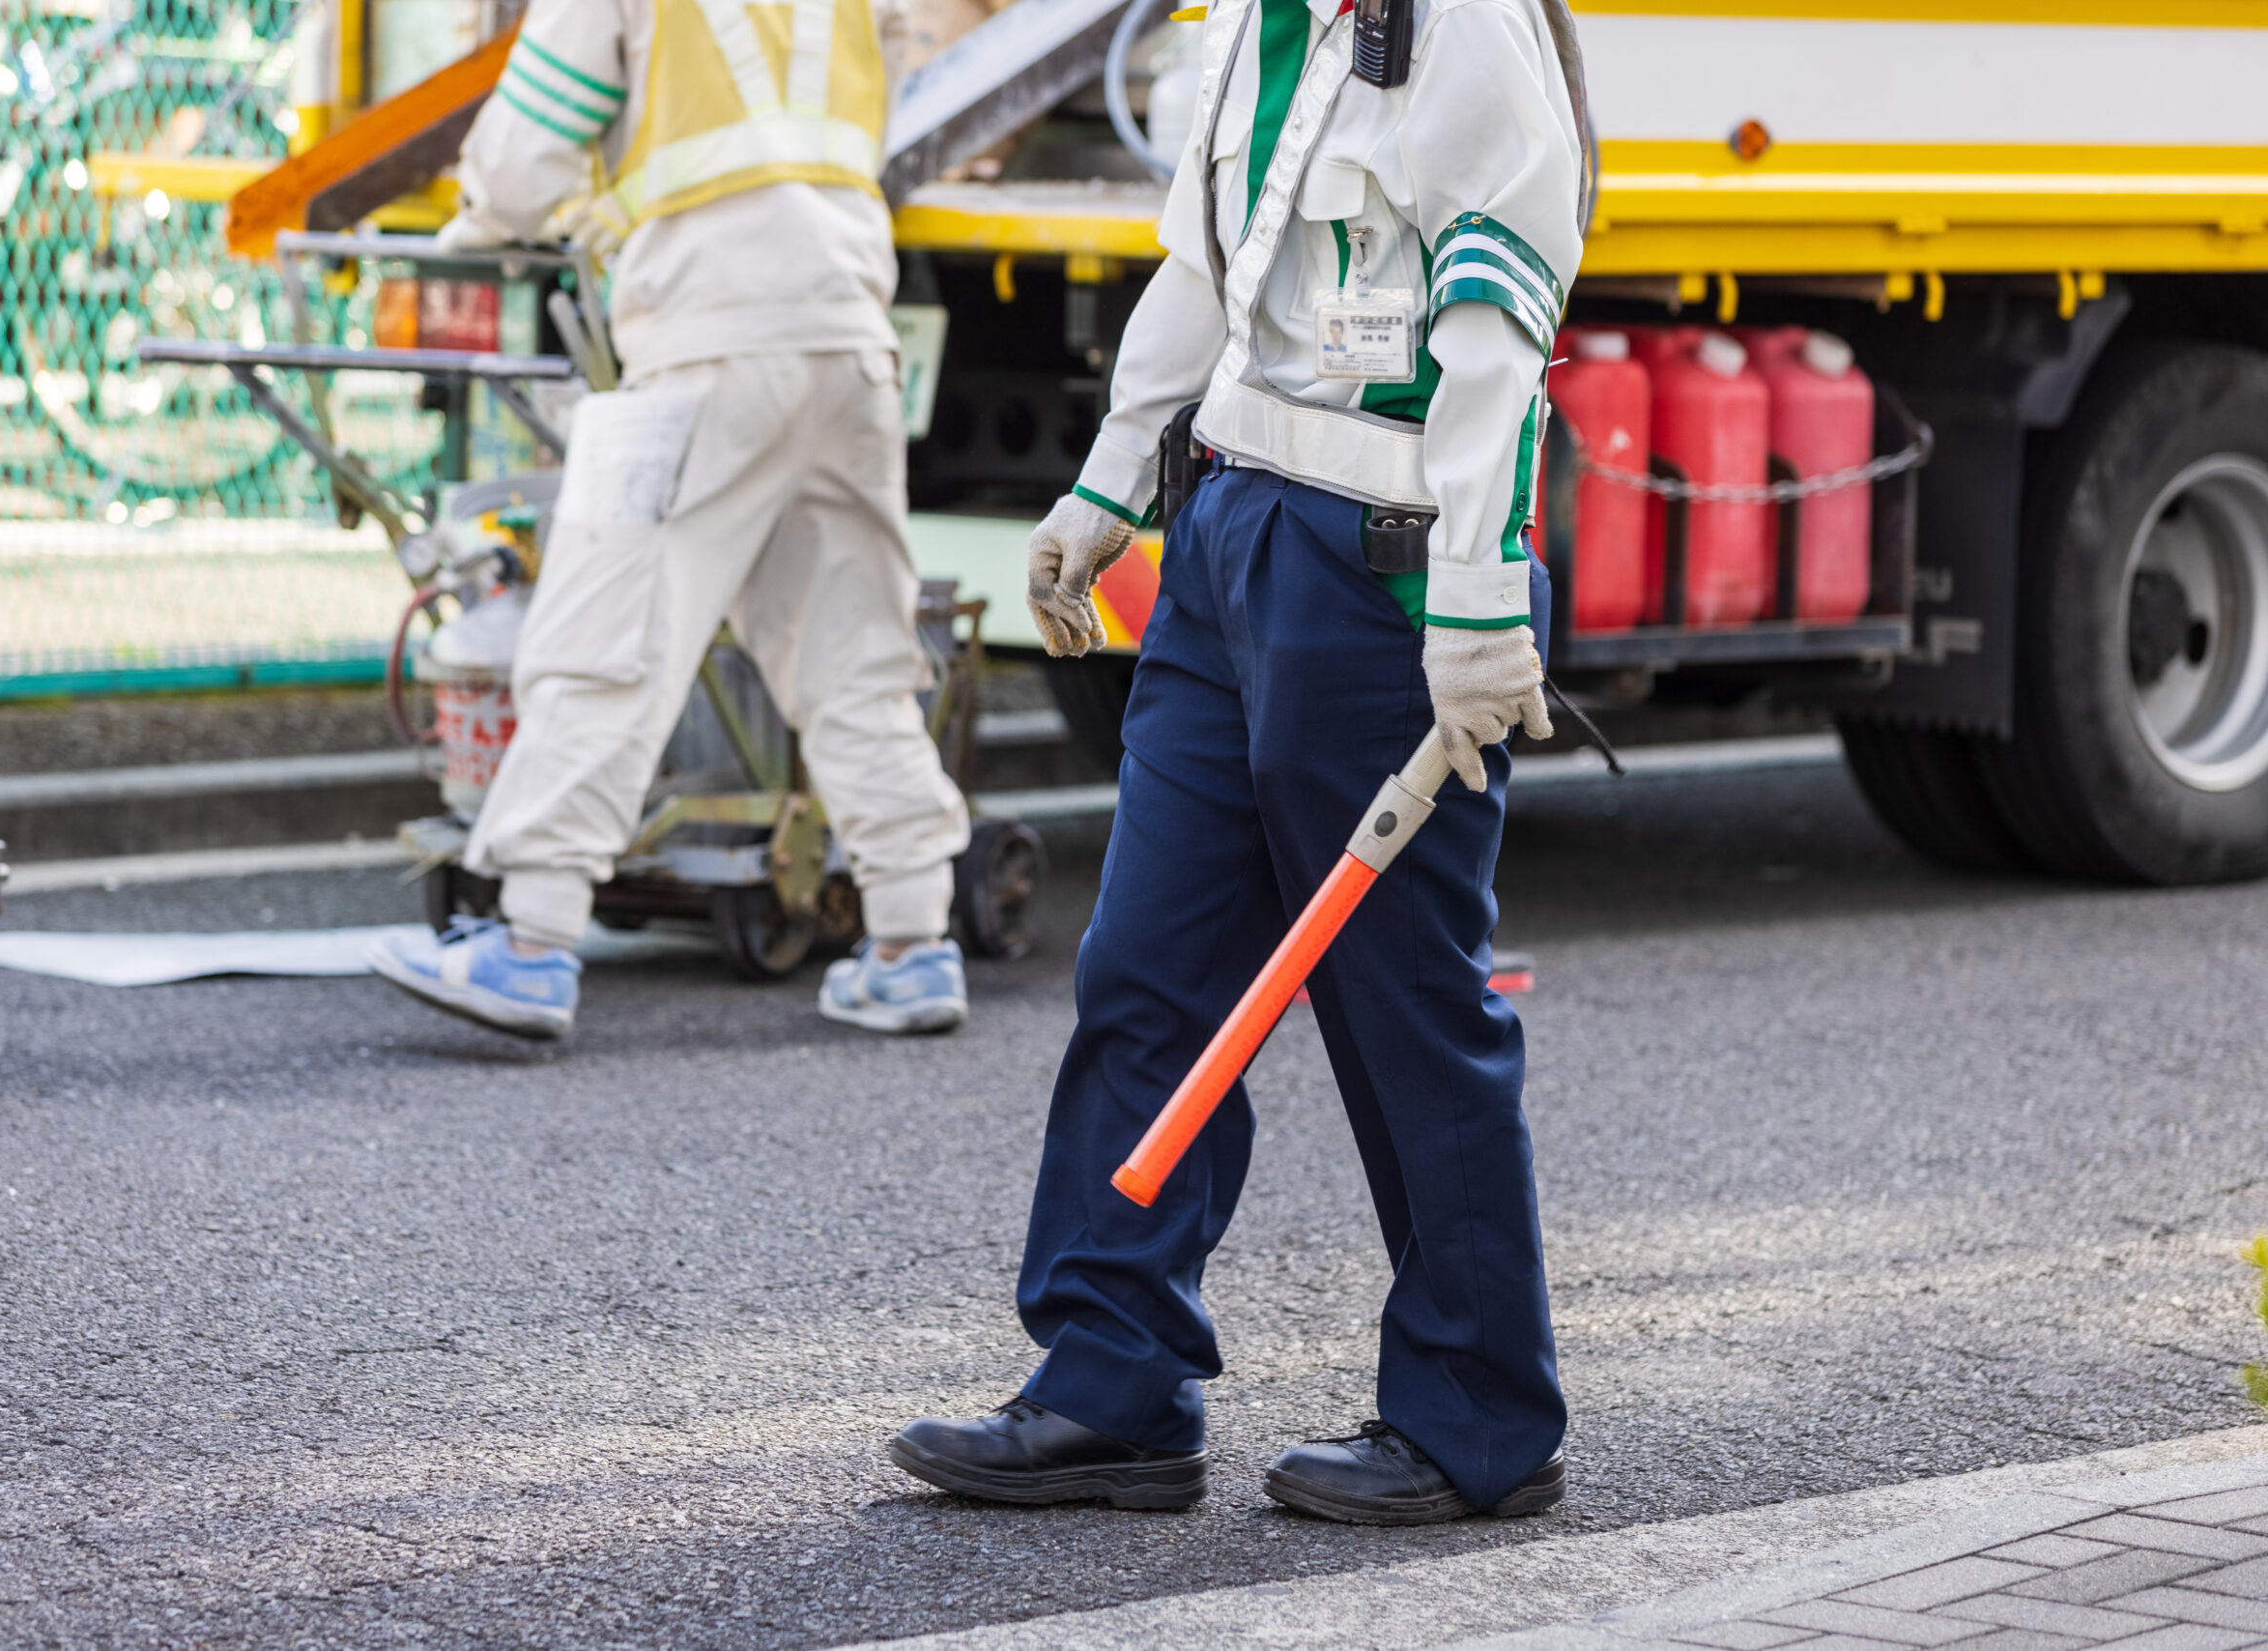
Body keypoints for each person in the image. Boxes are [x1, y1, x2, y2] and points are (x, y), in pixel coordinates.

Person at [889, 0, 1588, 1522]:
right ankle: (1109, 1383)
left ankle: (1481, 1418)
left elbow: (1499, 319)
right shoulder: (1251, 26)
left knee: (1400, 998)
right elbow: (1205, 276)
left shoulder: (1455, 22)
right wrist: (1107, 487)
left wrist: (1477, 599)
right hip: (1228, 536)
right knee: (1147, 970)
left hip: (1384, 566)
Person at [368, 0, 975, 1042]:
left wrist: (484, 213)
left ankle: (531, 942)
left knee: (606, 640)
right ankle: (912, 942)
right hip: (848, 341)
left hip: (703, 346)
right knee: (854, 652)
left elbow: (519, 162)